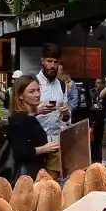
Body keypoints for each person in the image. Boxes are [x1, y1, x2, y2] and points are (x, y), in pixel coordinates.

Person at [5, 75, 59, 181]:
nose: (37, 95)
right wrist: (45, 148)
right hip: (27, 177)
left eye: (38, 90)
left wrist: (37, 111)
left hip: (34, 172)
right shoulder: (19, 119)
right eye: (32, 91)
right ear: (20, 95)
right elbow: (21, 152)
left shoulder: (27, 116)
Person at [36, 43, 71, 178]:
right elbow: (20, 113)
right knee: (35, 185)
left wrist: (66, 114)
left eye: (55, 62)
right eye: (49, 61)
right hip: (36, 142)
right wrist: (37, 110)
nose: (52, 65)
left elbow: (66, 116)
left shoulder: (62, 85)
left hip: (55, 142)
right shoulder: (33, 82)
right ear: (42, 61)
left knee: (51, 186)